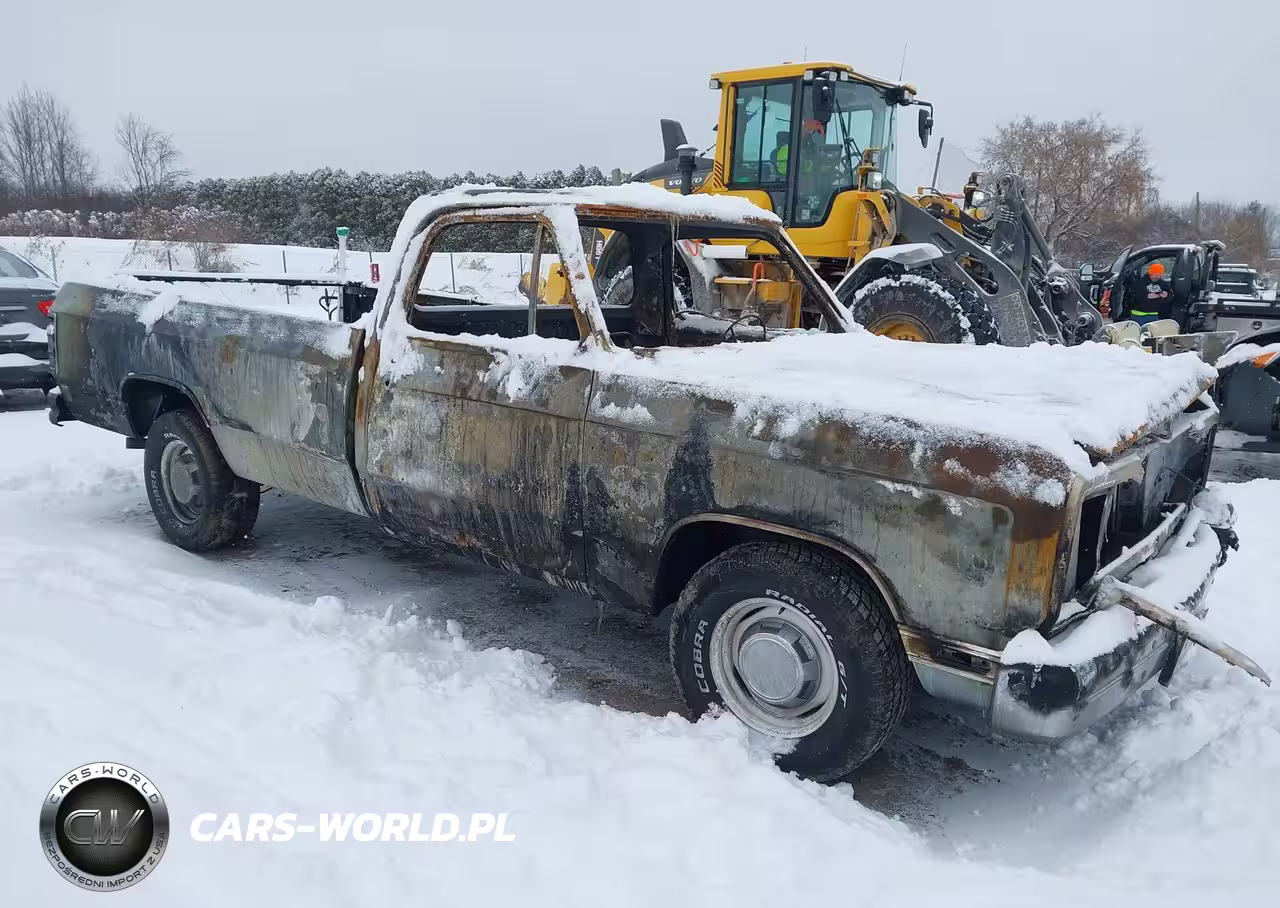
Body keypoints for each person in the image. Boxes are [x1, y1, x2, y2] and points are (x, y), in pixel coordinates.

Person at [1126, 261, 1172, 325]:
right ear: (1150, 273)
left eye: (1160, 275)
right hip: (1138, 315)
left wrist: (1166, 295)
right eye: (1156, 274)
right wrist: (1146, 297)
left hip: (1155, 315)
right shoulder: (1140, 283)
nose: (1158, 277)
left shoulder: (1163, 284)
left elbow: (1170, 296)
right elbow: (1134, 297)